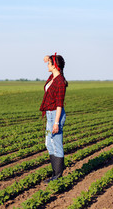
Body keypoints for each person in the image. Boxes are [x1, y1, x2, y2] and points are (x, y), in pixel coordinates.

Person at [40, 53, 68, 183]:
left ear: (55, 66)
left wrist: (56, 123)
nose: (47, 64)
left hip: (55, 116)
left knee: (56, 144)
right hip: (49, 115)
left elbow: (59, 105)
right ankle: (54, 173)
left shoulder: (60, 82)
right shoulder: (53, 77)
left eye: (49, 63)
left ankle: (57, 175)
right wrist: (48, 56)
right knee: (48, 143)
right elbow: (50, 59)